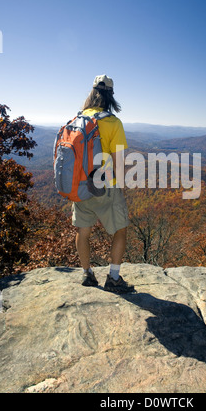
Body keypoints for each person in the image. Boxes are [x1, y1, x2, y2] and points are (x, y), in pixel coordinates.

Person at [72, 74, 134, 293]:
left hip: (79, 185)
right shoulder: (112, 122)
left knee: (83, 230)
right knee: (121, 229)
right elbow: (118, 161)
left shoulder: (76, 119)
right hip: (105, 185)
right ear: (110, 96)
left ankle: (87, 275)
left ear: (92, 93)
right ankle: (113, 277)